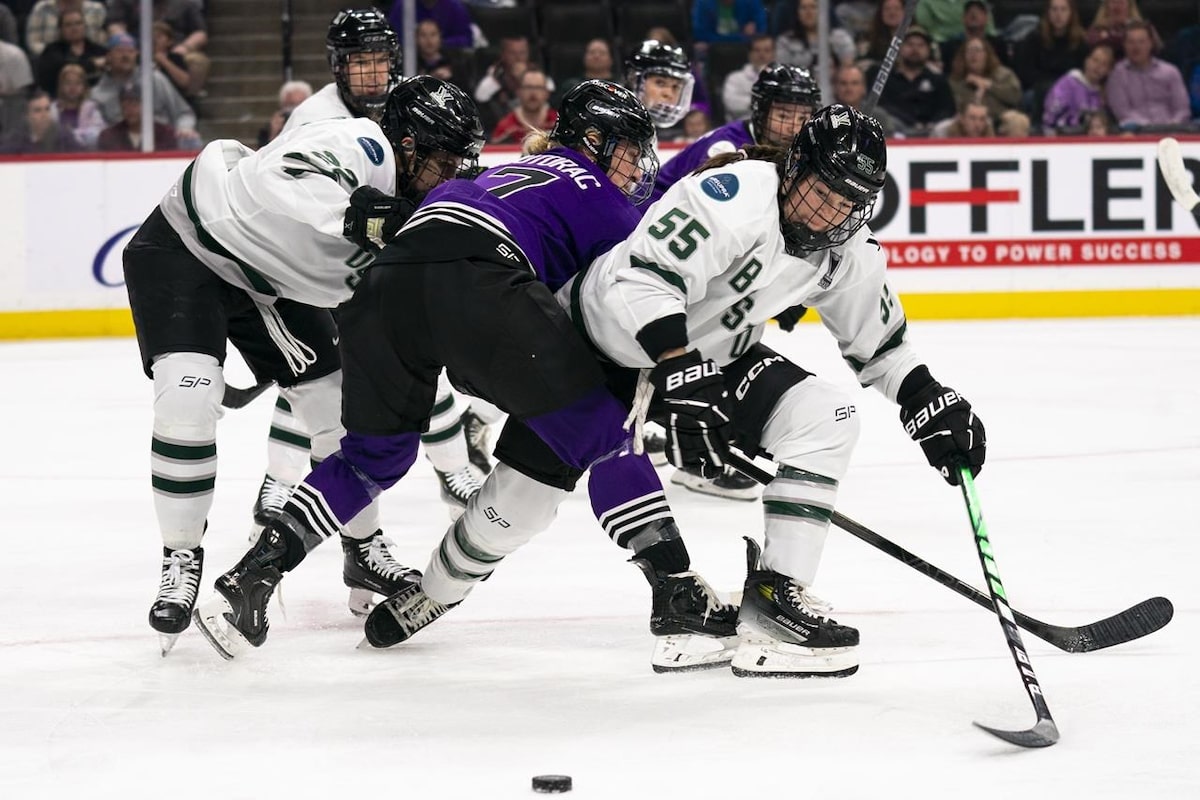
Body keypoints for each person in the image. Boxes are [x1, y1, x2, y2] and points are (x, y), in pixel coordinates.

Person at [193, 80, 740, 674]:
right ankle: (676, 590)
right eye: (630, 151)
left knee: (371, 459)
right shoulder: (600, 196)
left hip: (384, 287)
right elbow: (633, 288)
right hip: (479, 284)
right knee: (607, 438)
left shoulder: (497, 175)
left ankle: (253, 574)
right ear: (593, 141)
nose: (637, 166)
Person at [562, 104, 987, 677]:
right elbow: (642, 280)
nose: (831, 213)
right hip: (611, 340)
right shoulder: (732, 195)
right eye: (823, 192)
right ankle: (675, 593)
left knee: (826, 415)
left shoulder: (847, 250)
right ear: (793, 168)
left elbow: (882, 347)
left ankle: (774, 603)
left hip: (708, 357)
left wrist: (927, 400)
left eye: (849, 202)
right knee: (534, 494)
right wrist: (680, 372)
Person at [125, 76, 483, 654]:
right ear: (408, 145)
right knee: (188, 401)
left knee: (341, 418)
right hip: (188, 250)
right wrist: (359, 214)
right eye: (444, 161)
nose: (453, 176)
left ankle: (363, 551)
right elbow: (276, 175)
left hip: (277, 286)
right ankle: (181, 557)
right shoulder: (363, 144)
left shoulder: (416, 213)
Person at [252, 8, 487, 533]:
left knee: (417, 362)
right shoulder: (314, 119)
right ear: (338, 65)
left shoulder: (410, 104)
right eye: (361, 61)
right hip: (325, 262)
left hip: (389, 255)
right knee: (319, 378)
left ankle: (454, 468)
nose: (373, 73)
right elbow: (287, 193)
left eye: (381, 59)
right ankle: (281, 477)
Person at [1105, 20, 1190, 130]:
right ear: (1124, 45)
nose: (1136, 47)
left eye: (1141, 41)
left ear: (1151, 43)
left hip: (1172, 131)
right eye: (1131, 42)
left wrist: (1171, 126)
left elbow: (1182, 109)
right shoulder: (1117, 75)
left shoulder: (1170, 72)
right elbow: (1123, 113)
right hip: (1137, 134)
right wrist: (1149, 128)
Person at [1041, 41, 1114, 132]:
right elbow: (1051, 114)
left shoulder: (1103, 94)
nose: (1097, 66)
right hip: (1063, 135)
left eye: (1103, 64)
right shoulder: (1068, 83)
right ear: (1087, 61)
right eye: (1095, 60)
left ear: (1108, 71)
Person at [97, 80, 178, 150]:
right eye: (125, 105)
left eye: (134, 104)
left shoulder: (165, 134)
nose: (130, 109)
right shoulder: (109, 136)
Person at [489, 65, 554, 144]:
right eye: (528, 87)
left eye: (538, 87)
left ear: (546, 93)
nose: (533, 93)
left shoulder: (557, 123)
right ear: (518, 91)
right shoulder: (505, 127)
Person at [0, 87, 79, 152]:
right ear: (26, 115)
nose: (44, 115)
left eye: (47, 109)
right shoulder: (15, 139)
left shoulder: (64, 136)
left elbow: (83, 159)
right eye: (38, 110)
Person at [51, 62, 104, 148]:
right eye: (68, 83)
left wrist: (70, 135)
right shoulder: (52, 109)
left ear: (84, 86)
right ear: (61, 86)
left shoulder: (91, 109)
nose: (73, 87)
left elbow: (98, 134)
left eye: (78, 83)